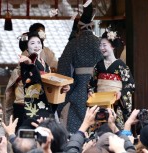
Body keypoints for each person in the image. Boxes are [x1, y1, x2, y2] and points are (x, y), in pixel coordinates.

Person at [3, 31, 69, 129]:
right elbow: (30, 75)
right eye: (32, 43)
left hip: (41, 105)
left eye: (39, 42)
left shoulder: (45, 64)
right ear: (26, 46)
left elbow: (48, 83)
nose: (37, 45)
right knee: (25, 137)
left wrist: (62, 87)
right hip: (25, 105)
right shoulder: (25, 62)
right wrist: (29, 64)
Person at [57, 0, 103, 133]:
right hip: (98, 88)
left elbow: (63, 67)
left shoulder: (73, 43)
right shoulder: (100, 43)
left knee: (76, 121)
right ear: (92, 26)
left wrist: (67, 88)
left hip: (78, 87)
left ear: (79, 27)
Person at [88, 31, 135, 128]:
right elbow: (92, 83)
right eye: (100, 45)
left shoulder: (121, 65)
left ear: (112, 46)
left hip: (115, 103)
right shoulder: (98, 65)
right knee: (99, 129)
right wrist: (90, 91)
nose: (102, 48)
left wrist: (121, 93)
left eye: (104, 45)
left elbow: (130, 85)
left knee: (115, 129)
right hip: (100, 102)